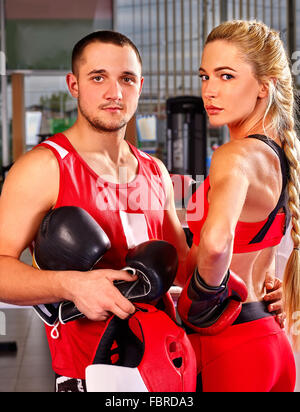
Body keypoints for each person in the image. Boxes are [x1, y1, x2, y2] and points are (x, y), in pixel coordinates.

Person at [0, 29, 283, 392]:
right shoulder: (44, 168)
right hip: (91, 374)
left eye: (127, 79)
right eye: (98, 77)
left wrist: (257, 284)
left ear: (140, 86)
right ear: (74, 84)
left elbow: (184, 269)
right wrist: (69, 284)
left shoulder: (154, 171)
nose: (114, 93)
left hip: (166, 372)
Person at [178, 20, 299, 392]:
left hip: (229, 347)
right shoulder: (281, 156)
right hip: (270, 341)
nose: (209, 91)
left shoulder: (234, 156)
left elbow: (216, 244)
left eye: (226, 76)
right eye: (205, 76)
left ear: (265, 86)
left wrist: (202, 298)